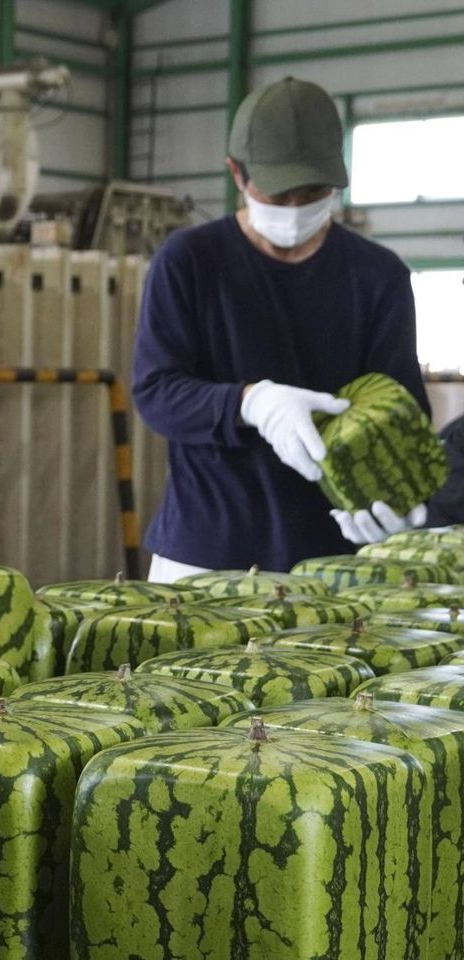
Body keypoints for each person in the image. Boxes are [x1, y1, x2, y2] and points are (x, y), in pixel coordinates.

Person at [132, 76, 430, 581]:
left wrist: (403, 501)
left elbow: (404, 407)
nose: (294, 209)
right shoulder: (189, 261)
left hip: (336, 559)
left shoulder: (378, 276)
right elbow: (157, 393)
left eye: (311, 192)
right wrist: (250, 402)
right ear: (236, 174)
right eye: (278, 192)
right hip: (203, 553)